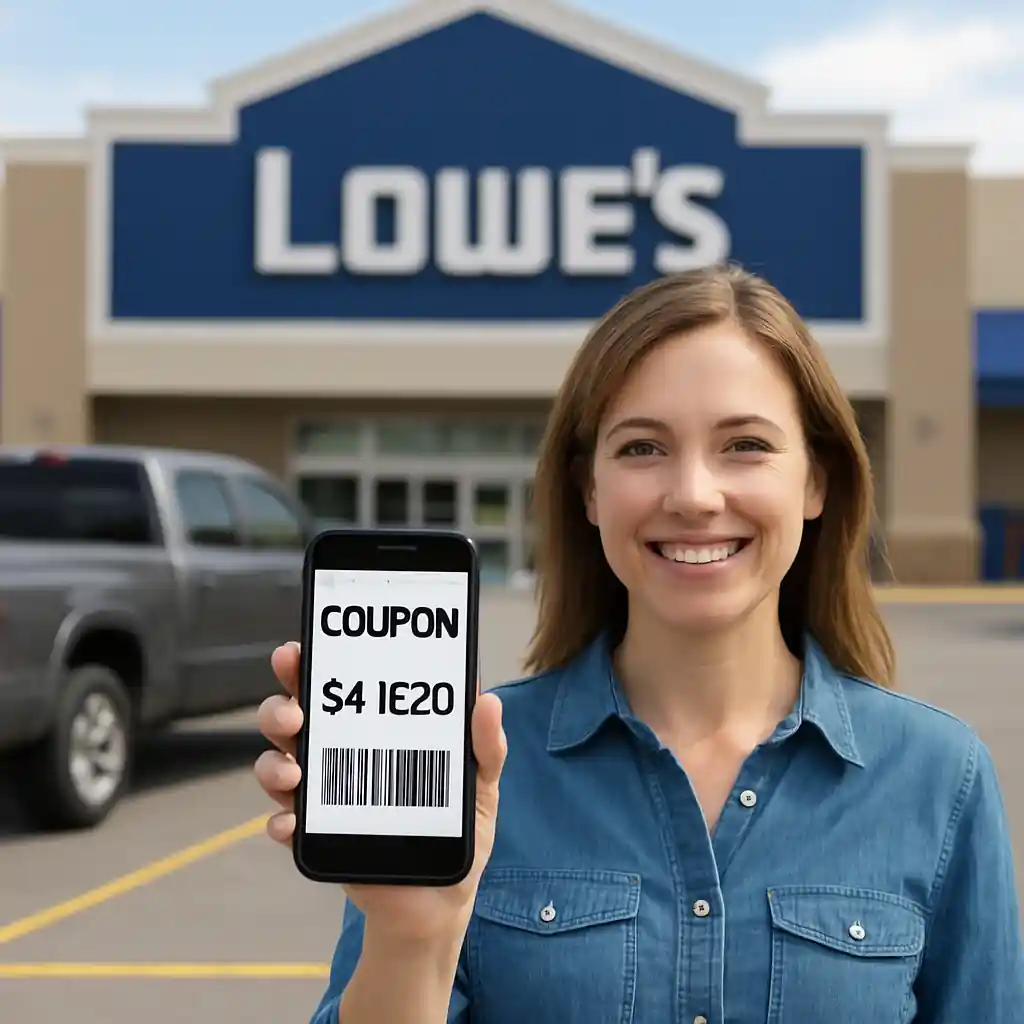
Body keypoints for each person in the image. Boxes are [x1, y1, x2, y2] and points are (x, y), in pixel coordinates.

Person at [254, 264, 1024, 1023]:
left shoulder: (938, 777)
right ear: (589, 490)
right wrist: (409, 934)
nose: (693, 495)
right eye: (642, 449)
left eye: (746, 445)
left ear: (815, 482)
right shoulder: (472, 768)